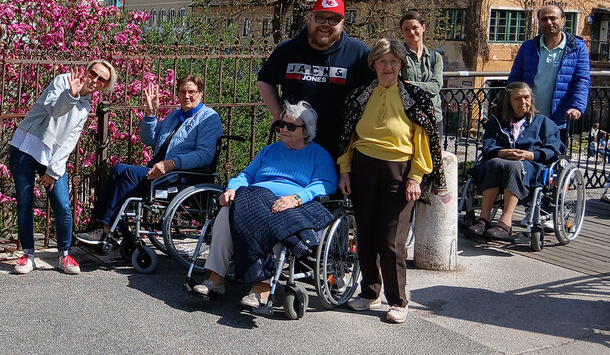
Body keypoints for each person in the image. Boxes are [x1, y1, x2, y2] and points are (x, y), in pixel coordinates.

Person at [190, 101, 337, 307]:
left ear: (307, 131)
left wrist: (296, 198)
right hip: (254, 198)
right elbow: (246, 175)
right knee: (225, 213)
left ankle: (262, 286)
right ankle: (215, 277)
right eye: (282, 125)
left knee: (274, 223)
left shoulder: (318, 155)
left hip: (288, 206)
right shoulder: (269, 151)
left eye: (291, 126)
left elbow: (325, 183)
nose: (284, 129)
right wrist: (232, 188)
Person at [337, 38, 442, 324]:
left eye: (394, 61)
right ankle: (370, 293)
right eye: (382, 61)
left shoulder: (414, 96)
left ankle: (398, 301)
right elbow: (348, 138)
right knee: (365, 234)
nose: (388, 66)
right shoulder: (360, 95)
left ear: (401, 65)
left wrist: (416, 177)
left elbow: (423, 140)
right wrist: (345, 170)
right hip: (362, 168)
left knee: (392, 240)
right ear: (373, 64)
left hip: (399, 171)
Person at [76, 75, 223, 244]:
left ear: (200, 94)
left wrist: (172, 163)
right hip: (160, 171)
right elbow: (149, 139)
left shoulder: (209, 118)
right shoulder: (175, 115)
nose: (187, 96)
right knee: (118, 171)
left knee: (126, 174)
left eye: (191, 92)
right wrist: (150, 114)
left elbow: (205, 155)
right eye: (183, 92)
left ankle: (106, 230)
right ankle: (100, 224)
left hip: (181, 175)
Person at [9, 60, 117, 275]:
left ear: (104, 85)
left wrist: (53, 170)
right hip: (25, 147)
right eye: (92, 73)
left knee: (63, 206)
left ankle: (64, 254)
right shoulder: (63, 81)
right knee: (24, 203)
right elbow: (54, 110)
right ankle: (28, 255)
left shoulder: (85, 107)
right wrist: (71, 94)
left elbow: (70, 140)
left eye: (101, 79)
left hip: (50, 157)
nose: (94, 80)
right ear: (86, 71)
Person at [257, 0, 373, 159]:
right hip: (295, 142)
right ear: (310, 18)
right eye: (320, 17)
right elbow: (264, 80)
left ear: (342, 23)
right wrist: (277, 115)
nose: (326, 24)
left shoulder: (358, 53)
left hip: (342, 147)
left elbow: (377, 90)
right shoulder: (287, 49)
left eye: (333, 19)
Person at [467, 82, 565, 239]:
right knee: (494, 163)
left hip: (530, 166)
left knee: (514, 166)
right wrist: (502, 152)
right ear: (508, 101)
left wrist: (530, 155)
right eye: (517, 98)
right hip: (499, 163)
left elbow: (555, 149)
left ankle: (505, 223)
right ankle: (483, 220)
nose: (523, 102)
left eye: (526, 97)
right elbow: (488, 146)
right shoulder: (497, 122)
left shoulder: (544, 123)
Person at [507, 5, 591, 127]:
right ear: (539, 23)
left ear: (563, 21)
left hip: (559, 119)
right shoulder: (528, 47)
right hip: (528, 118)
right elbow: (515, 80)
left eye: (553, 18)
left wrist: (577, 106)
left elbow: (582, 80)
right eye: (544, 19)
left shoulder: (577, 48)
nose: (549, 22)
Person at [398, 11, 444, 125]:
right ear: (402, 32)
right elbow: (399, 87)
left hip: (433, 116)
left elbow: (436, 86)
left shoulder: (435, 57)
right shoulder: (398, 57)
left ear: (423, 27)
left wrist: (411, 84)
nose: (411, 32)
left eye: (415, 27)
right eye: (406, 29)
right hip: (408, 117)